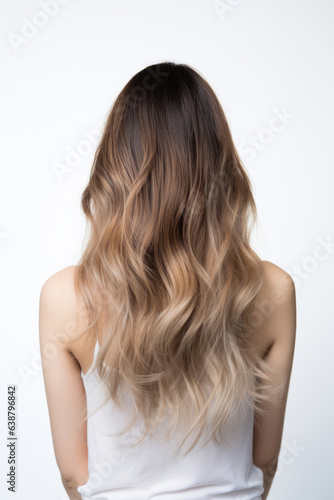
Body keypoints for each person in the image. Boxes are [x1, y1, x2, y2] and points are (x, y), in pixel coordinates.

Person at [39, 62, 296, 500]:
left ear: (115, 166)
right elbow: (264, 459)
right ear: (219, 163)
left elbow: (72, 474)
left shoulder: (65, 297)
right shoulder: (272, 291)